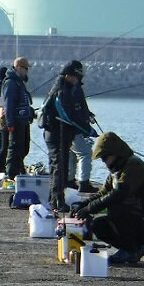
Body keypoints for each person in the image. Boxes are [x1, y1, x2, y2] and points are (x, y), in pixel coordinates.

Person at [73, 131, 144, 265]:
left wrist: (90, 208)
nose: (104, 162)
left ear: (116, 153)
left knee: (116, 206)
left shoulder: (134, 167)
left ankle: (130, 250)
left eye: (105, 157)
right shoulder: (116, 170)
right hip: (136, 218)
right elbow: (103, 193)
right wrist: (82, 205)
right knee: (98, 226)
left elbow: (119, 194)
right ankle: (136, 247)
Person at [41, 61, 96, 212]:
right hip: (56, 134)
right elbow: (68, 116)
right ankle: (57, 201)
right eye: (75, 77)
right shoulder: (61, 91)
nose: (77, 80)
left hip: (60, 134)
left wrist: (86, 119)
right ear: (68, 75)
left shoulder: (65, 88)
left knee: (58, 167)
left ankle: (55, 199)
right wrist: (86, 129)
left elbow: (73, 112)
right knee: (59, 167)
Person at [1, 57, 34, 181]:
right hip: (15, 122)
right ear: (19, 68)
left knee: (24, 147)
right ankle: (11, 174)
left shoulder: (19, 82)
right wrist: (10, 123)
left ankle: (19, 169)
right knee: (14, 148)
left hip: (23, 121)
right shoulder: (11, 82)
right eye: (26, 69)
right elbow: (8, 104)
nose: (27, 72)